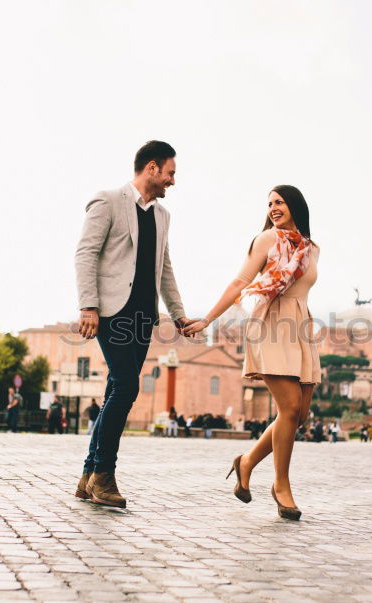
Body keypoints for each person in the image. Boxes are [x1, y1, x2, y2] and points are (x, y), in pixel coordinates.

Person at [184, 185, 320, 521]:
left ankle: (245, 462)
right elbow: (239, 283)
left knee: (298, 415)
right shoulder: (265, 241)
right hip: (269, 323)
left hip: (300, 327)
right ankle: (281, 485)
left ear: (295, 206)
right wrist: (207, 319)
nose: (274, 208)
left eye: (280, 202)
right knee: (287, 407)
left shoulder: (312, 249)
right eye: (270, 204)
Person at [73, 140, 195, 509]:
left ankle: (86, 476)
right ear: (153, 168)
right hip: (112, 311)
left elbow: (165, 268)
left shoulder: (163, 216)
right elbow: (86, 253)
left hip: (144, 314)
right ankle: (103, 476)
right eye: (171, 173)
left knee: (116, 389)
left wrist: (178, 313)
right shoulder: (108, 200)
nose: (173, 181)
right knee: (126, 387)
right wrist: (88, 306)